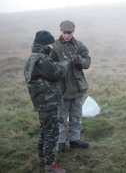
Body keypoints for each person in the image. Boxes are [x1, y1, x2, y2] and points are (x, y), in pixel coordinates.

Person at [24, 30, 68, 173]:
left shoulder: (32, 58)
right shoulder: (41, 59)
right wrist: (64, 63)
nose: (52, 46)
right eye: (51, 43)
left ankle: (42, 159)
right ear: (46, 44)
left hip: (41, 102)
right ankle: (51, 166)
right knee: (52, 133)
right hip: (48, 102)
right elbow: (57, 73)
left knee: (44, 131)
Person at [50, 20, 91, 153]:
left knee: (76, 116)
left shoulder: (79, 45)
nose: (67, 35)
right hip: (61, 89)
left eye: (69, 33)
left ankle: (75, 140)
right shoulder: (54, 46)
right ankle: (60, 142)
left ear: (73, 32)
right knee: (61, 117)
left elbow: (87, 61)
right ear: (60, 31)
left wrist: (81, 61)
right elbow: (48, 65)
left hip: (77, 88)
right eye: (64, 32)